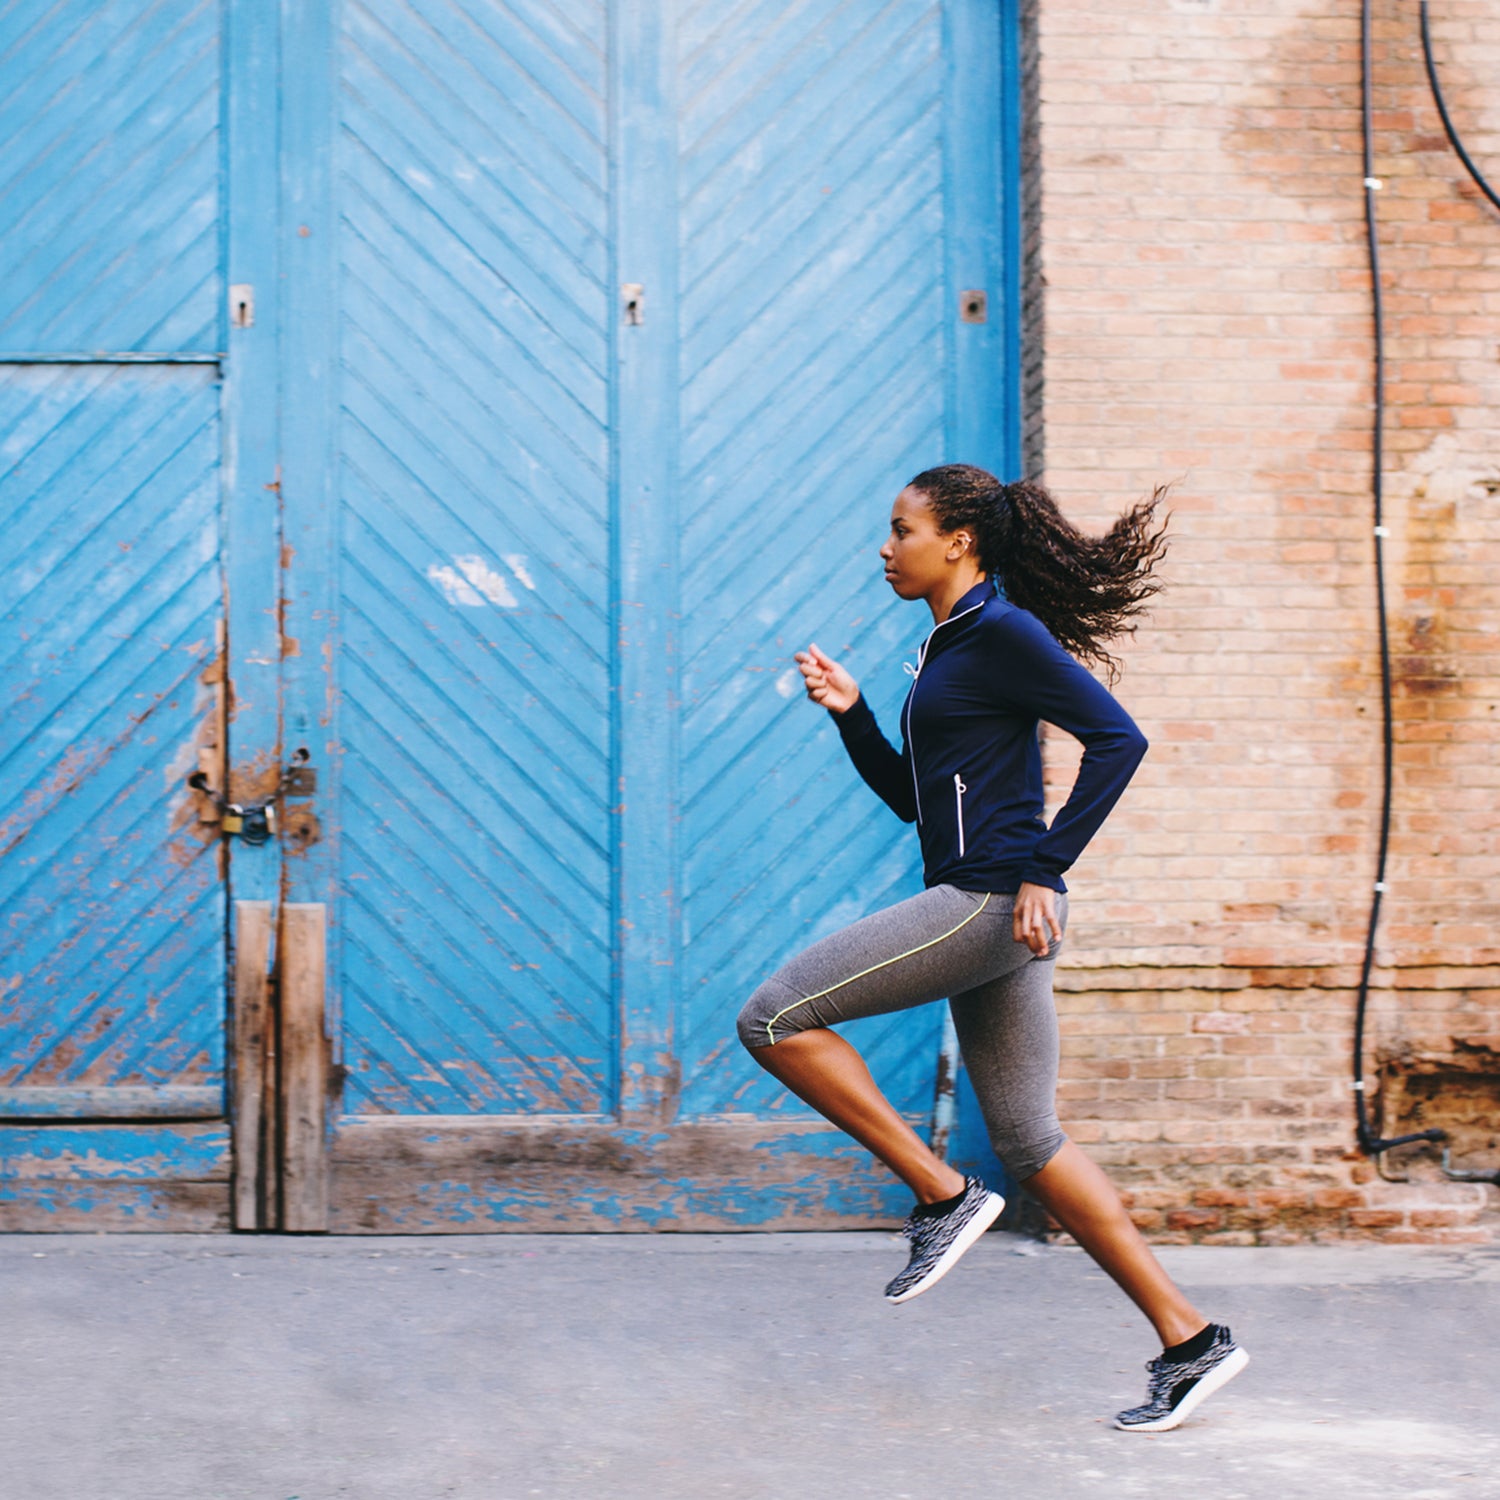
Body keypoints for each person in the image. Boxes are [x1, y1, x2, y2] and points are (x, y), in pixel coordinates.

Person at [736, 464, 1248, 1434]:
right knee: (1031, 1141)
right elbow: (914, 803)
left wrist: (1045, 869)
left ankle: (941, 1194)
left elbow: (1117, 740)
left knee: (771, 1019)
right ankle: (1190, 1341)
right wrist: (851, 716)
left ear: (957, 541)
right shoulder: (946, 648)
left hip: (984, 907)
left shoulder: (1002, 633)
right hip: (981, 899)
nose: (885, 549)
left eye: (901, 530)